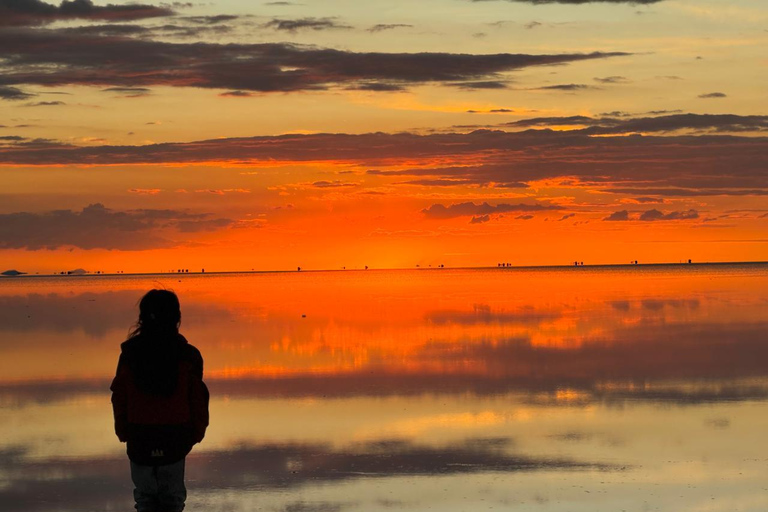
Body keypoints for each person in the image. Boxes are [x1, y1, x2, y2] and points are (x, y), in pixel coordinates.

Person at [111, 289, 209, 512]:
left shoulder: (130, 354)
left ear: (143, 318)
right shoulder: (188, 355)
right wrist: (196, 432)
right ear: (176, 318)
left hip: (139, 436)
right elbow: (197, 398)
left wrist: (123, 430)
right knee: (172, 500)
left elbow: (119, 396)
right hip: (174, 436)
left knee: (145, 500)